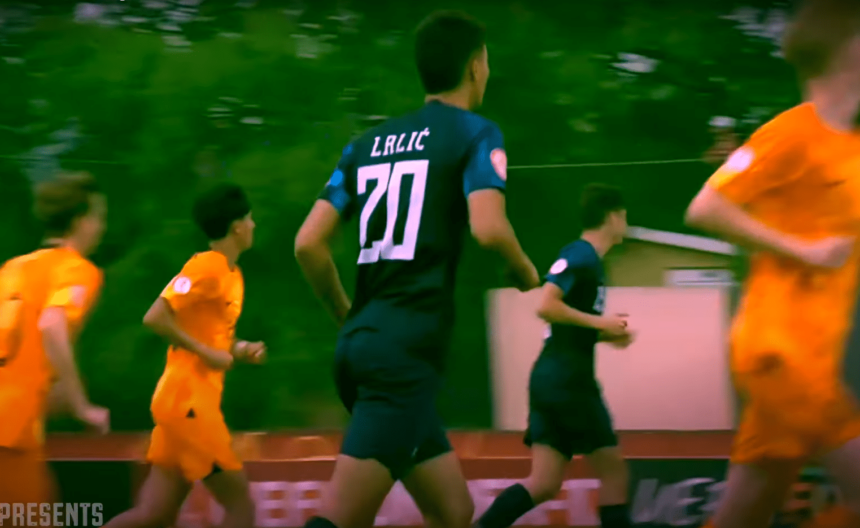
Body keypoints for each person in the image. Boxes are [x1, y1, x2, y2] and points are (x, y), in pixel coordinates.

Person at [294, 9, 539, 528]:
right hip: (402, 359)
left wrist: (348, 316)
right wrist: (524, 272)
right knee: (340, 518)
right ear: (475, 66)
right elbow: (489, 228)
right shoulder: (476, 133)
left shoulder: (365, 145)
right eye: (487, 61)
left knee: (453, 511)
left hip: (363, 349)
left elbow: (308, 244)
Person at [685, 1, 860, 526]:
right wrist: (804, 250)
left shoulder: (851, 148)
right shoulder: (792, 131)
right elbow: (706, 207)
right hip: (781, 353)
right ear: (850, 48)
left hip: (814, 357)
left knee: (747, 510)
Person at [105, 183, 265, 528]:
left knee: (155, 514)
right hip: (189, 402)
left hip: (181, 404)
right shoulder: (205, 267)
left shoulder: (232, 275)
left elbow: (215, 338)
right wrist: (206, 352)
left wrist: (241, 349)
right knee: (241, 506)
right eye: (250, 218)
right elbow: (155, 316)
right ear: (237, 226)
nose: (253, 225)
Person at [475, 184, 634, 528]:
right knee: (614, 473)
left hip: (550, 379)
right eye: (624, 216)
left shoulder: (590, 260)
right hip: (569, 381)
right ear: (612, 217)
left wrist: (608, 332)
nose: (626, 223)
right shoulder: (581, 254)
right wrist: (600, 322)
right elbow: (546, 305)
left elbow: (568, 323)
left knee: (544, 483)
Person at [0, 171, 110, 503]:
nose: (101, 227)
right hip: (11, 431)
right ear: (80, 221)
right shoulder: (77, 270)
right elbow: (52, 324)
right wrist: (82, 406)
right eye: (98, 217)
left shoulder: (12, 269)